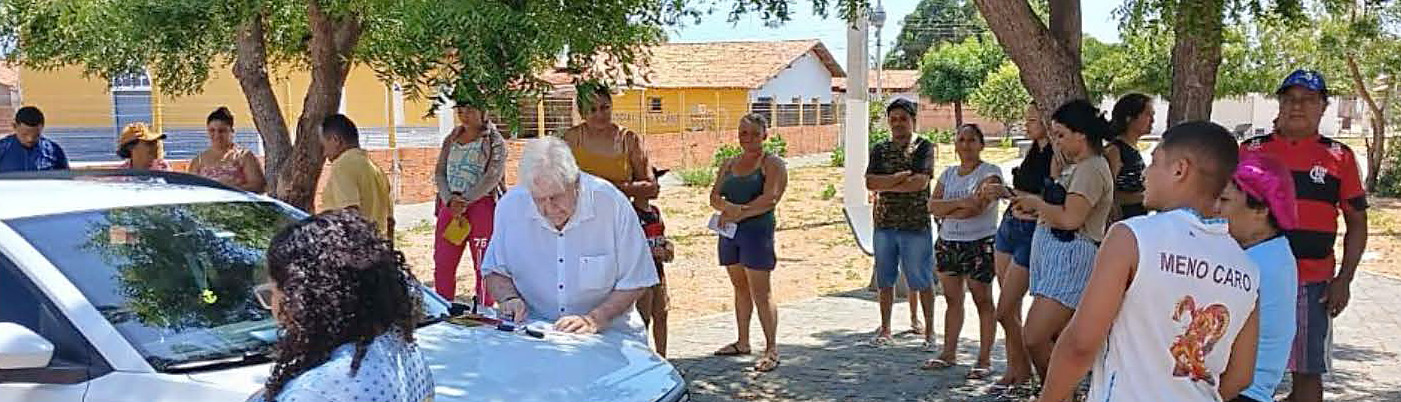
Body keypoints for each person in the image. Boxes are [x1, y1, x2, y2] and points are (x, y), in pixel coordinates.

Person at [1036, 121, 1260, 402]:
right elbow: (1241, 376)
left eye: (1154, 162)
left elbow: (1080, 343)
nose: (1145, 173)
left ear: (1180, 169)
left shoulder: (1132, 238)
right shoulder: (1246, 268)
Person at [1240, 69, 1369, 402]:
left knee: (1308, 373)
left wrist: (1345, 279)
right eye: (1290, 99)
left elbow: (1357, 221)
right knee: (1234, 363)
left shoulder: (1340, 157)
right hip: (1247, 276)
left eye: (1308, 99)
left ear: (1323, 106)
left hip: (1312, 284)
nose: (1298, 106)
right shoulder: (1250, 151)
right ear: (1280, 103)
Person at [481, 137, 659, 341]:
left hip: (610, 335)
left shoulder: (611, 203)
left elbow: (636, 280)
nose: (548, 208)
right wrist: (508, 298)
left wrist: (594, 319)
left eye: (556, 197)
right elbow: (495, 270)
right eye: (539, 199)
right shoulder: (511, 206)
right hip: (535, 334)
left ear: (575, 182)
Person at [258, 210, 433, 402]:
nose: (272, 306)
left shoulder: (315, 391)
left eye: (271, 291)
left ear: (297, 298)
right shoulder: (402, 349)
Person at [559, 83, 668, 354]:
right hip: (580, 224)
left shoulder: (628, 139)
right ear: (582, 111)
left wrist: (613, 188)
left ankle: (644, 354)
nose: (600, 114)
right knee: (587, 288)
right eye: (592, 109)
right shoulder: (570, 139)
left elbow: (651, 187)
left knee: (639, 291)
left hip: (624, 222)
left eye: (605, 107)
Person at [1010, 99, 1114, 382]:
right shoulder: (1079, 166)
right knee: (1051, 336)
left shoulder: (1091, 168)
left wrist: (1036, 203)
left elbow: (1071, 219)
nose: (1057, 142)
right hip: (1055, 256)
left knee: (1034, 336)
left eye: (1061, 135)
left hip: (1070, 259)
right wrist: (1035, 210)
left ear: (1081, 134)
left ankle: (1056, 391)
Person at [980, 103, 1056, 394]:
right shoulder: (1033, 151)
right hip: (1011, 225)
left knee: (1004, 309)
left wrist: (1006, 193)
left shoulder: (1054, 156)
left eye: (1033, 119)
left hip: (1032, 232)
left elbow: (1045, 199)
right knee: (1011, 309)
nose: (1027, 123)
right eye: (1026, 118)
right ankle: (1014, 368)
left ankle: (1033, 370)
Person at [1216, 155, 1300, 402]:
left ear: (1262, 210)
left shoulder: (1250, 265)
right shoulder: (1275, 250)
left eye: (1225, 200)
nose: (1216, 209)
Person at [709, 113, 789, 372]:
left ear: (765, 135)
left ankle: (771, 348)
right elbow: (714, 196)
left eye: (755, 133)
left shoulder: (772, 164)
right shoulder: (729, 163)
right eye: (744, 133)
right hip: (729, 233)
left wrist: (739, 211)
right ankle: (742, 341)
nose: (749, 139)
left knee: (761, 292)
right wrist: (727, 208)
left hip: (757, 233)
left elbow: (770, 199)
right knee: (739, 287)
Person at [924, 124, 1002, 379]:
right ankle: (949, 352)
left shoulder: (990, 173)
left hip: (979, 242)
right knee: (952, 299)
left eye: (972, 140)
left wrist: (950, 207)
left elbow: (976, 208)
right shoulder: (947, 174)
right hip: (949, 242)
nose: (966, 145)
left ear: (981, 144)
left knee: (983, 300)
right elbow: (933, 206)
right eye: (961, 140)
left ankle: (984, 358)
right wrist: (959, 202)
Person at [864, 98, 937, 349]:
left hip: (915, 224)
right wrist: (896, 178)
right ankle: (885, 329)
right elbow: (870, 182)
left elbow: (920, 182)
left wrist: (887, 184)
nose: (897, 124)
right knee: (886, 278)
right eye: (893, 119)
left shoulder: (924, 147)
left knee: (921, 278)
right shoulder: (880, 149)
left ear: (912, 120)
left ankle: (929, 330)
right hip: (884, 223)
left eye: (902, 119)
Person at [431, 103, 506, 303]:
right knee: (443, 261)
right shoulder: (452, 138)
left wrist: (467, 199)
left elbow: (493, 176)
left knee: (483, 263)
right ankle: (443, 305)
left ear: (484, 112)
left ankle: (484, 307)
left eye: (471, 110)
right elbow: (440, 171)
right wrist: (449, 199)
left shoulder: (494, 141)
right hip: (451, 207)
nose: (464, 115)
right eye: (460, 110)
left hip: (480, 206)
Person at [319, 114, 394, 237]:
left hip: (354, 249)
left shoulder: (343, 165)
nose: (324, 153)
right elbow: (390, 221)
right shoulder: (376, 170)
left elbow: (349, 215)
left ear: (336, 140)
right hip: (377, 247)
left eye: (324, 146)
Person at [188, 106, 266, 192]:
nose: (217, 135)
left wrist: (229, 190)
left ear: (232, 132)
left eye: (222, 131)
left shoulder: (244, 156)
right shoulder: (198, 161)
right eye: (212, 130)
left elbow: (259, 186)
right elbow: (191, 190)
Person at [1105, 93, 1153, 221]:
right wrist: (1145, 196)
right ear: (1129, 118)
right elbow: (1107, 195)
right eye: (1148, 115)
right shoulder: (1115, 151)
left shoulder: (1133, 148)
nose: (1152, 120)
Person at [0, 106, 69, 172]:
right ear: (15, 126)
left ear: (42, 128)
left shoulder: (54, 151)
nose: (30, 139)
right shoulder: (2, 148)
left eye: (36, 135)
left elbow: (65, 178)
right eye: (24, 135)